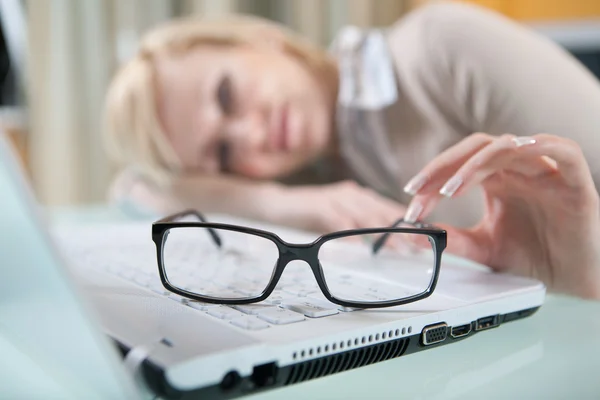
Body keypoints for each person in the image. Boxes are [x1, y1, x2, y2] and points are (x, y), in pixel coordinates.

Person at [104, 1, 600, 299]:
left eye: (227, 95)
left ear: (263, 39)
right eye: (224, 155)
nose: (250, 135)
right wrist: (280, 203)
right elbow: (134, 187)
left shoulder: (438, 48)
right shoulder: (315, 183)